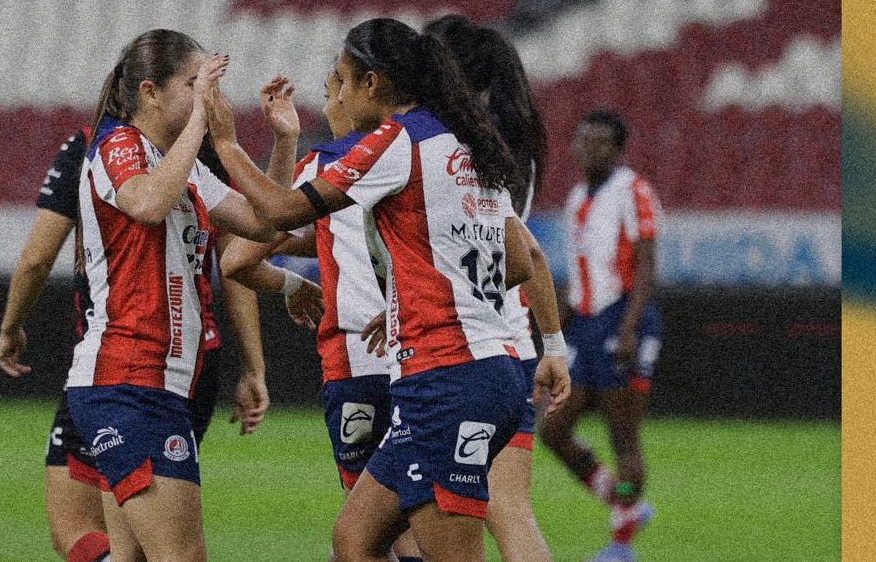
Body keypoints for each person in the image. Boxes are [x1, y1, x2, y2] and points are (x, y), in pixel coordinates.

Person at [201, 18, 569, 562]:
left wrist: (227, 143)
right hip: (487, 368)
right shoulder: (466, 142)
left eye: (342, 80)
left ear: (371, 83)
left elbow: (278, 211)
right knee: (355, 539)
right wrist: (414, 296)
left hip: (446, 380)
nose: (337, 96)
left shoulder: (397, 140)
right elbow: (518, 259)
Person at [0, 123, 270, 560]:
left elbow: (37, 258)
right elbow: (236, 265)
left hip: (120, 366)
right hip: (195, 362)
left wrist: (11, 326)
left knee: (80, 530)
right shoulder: (203, 151)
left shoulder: (92, 145)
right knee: (139, 542)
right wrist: (253, 366)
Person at [63, 29, 276, 562]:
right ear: (150, 92)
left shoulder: (185, 164)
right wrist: (204, 119)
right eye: (193, 84)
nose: (206, 94)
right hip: (127, 380)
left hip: (161, 385)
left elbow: (264, 224)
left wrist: (285, 139)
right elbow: (147, 203)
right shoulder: (118, 145)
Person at [220, 70, 423, 561]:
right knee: (417, 520)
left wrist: (294, 285)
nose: (330, 104)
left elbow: (236, 260)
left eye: (332, 92)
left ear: (354, 97)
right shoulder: (421, 156)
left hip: (357, 364)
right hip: (427, 360)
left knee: (366, 535)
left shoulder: (323, 167)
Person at [424, 14, 562, 562]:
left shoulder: (456, 148)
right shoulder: (514, 143)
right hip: (513, 340)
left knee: (410, 514)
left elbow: (515, 253)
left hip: (462, 342)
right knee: (510, 510)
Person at [538, 110, 662, 562]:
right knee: (553, 428)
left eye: (601, 142)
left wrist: (629, 328)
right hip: (586, 322)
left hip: (624, 318)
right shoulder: (576, 199)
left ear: (618, 149)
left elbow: (646, 264)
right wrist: (554, 333)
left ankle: (621, 545)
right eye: (584, 140)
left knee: (622, 435)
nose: (590, 149)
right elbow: (578, 275)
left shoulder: (634, 190)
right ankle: (623, 502)